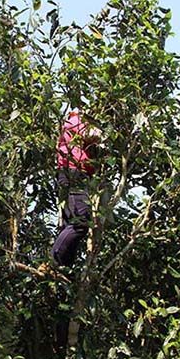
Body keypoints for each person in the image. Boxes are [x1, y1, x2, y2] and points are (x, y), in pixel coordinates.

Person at [51, 109, 101, 267]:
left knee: (71, 223)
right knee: (81, 222)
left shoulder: (72, 124)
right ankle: (54, 261)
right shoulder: (75, 122)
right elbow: (94, 135)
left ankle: (64, 267)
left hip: (73, 173)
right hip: (74, 173)